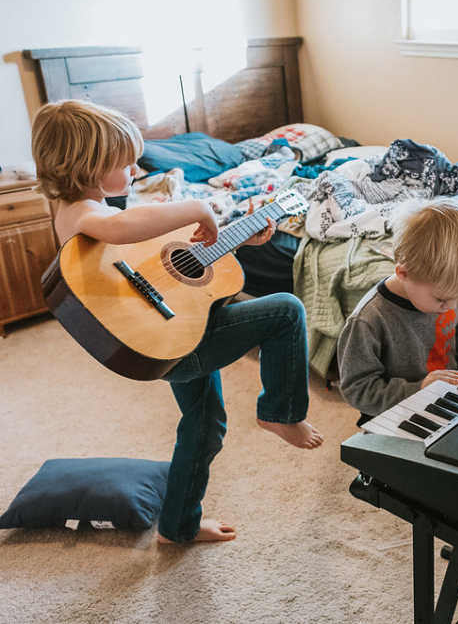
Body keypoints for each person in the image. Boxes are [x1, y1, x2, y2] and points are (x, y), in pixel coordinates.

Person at [31, 99, 323, 544]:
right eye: (124, 163)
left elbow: (164, 266)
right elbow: (121, 229)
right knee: (285, 310)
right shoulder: (80, 214)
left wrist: (237, 236)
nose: (133, 171)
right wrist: (196, 209)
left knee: (205, 427)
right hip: (160, 338)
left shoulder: (99, 211)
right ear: (87, 167)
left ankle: (178, 526)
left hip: (171, 327)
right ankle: (281, 411)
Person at [336, 198, 458, 423]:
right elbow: (357, 390)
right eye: (442, 300)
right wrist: (419, 389)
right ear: (403, 273)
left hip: (447, 397)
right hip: (397, 416)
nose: (451, 307)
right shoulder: (368, 320)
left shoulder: (451, 291)